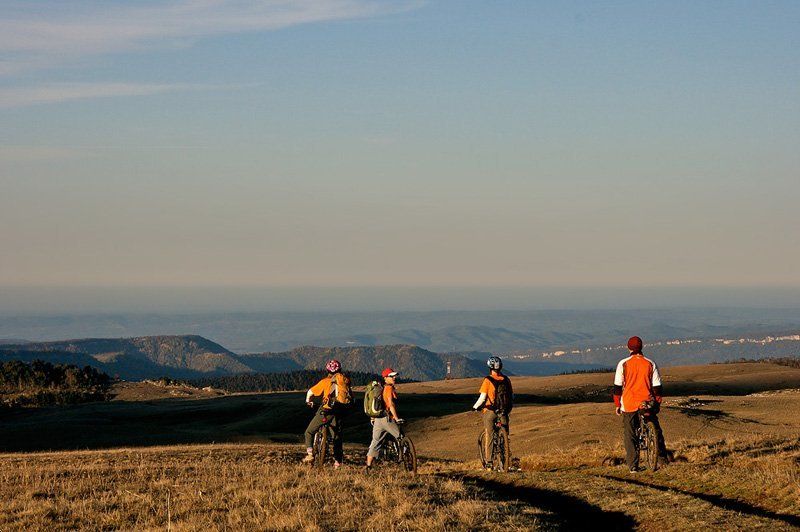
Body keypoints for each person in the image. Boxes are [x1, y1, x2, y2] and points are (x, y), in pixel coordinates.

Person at [613, 336, 667, 473]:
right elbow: (657, 387)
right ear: (642, 347)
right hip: (647, 402)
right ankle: (662, 460)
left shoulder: (623, 364)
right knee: (656, 430)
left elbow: (618, 387)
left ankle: (633, 465)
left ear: (628, 348)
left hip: (629, 403)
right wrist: (657, 403)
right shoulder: (650, 363)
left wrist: (617, 404)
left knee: (630, 433)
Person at [302, 359, 351, 468]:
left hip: (327, 410)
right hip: (340, 411)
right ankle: (337, 462)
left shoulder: (325, 381)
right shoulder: (345, 380)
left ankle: (310, 454)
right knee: (337, 438)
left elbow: (310, 392)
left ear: (328, 370)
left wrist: (308, 401)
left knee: (309, 432)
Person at [472, 356, 513, 467]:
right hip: (504, 411)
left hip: (491, 411)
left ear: (489, 367)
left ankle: (489, 462)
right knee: (505, 435)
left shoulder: (488, 380)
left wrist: (475, 407)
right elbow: (511, 396)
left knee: (489, 435)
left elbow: (482, 397)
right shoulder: (506, 379)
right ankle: (505, 460)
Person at [365, 367, 404, 469]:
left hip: (378, 419)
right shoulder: (389, 388)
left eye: (394, 376)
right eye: (391, 376)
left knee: (375, 442)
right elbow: (390, 404)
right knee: (400, 437)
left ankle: (368, 466)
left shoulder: (381, 389)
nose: (394, 378)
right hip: (387, 418)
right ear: (385, 378)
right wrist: (396, 418)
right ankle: (405, 459)